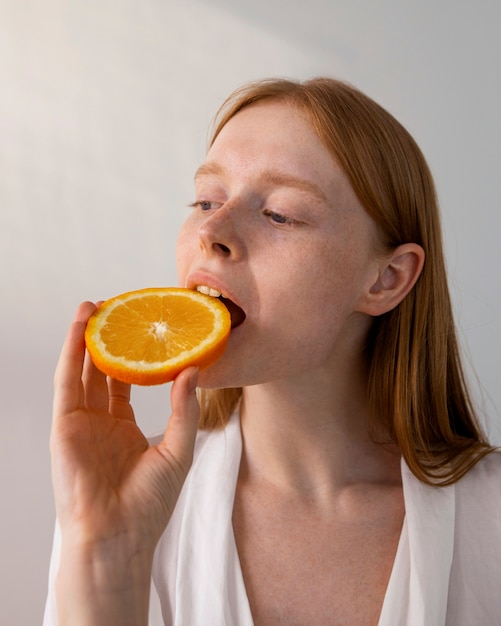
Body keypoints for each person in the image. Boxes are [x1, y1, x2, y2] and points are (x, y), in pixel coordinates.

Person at [44, 78, 500, 626]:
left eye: (280, 214)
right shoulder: (128, 502)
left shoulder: (490, 521)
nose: (211, 229)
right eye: (207, 200)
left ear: (387, 278)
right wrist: (104, 557)